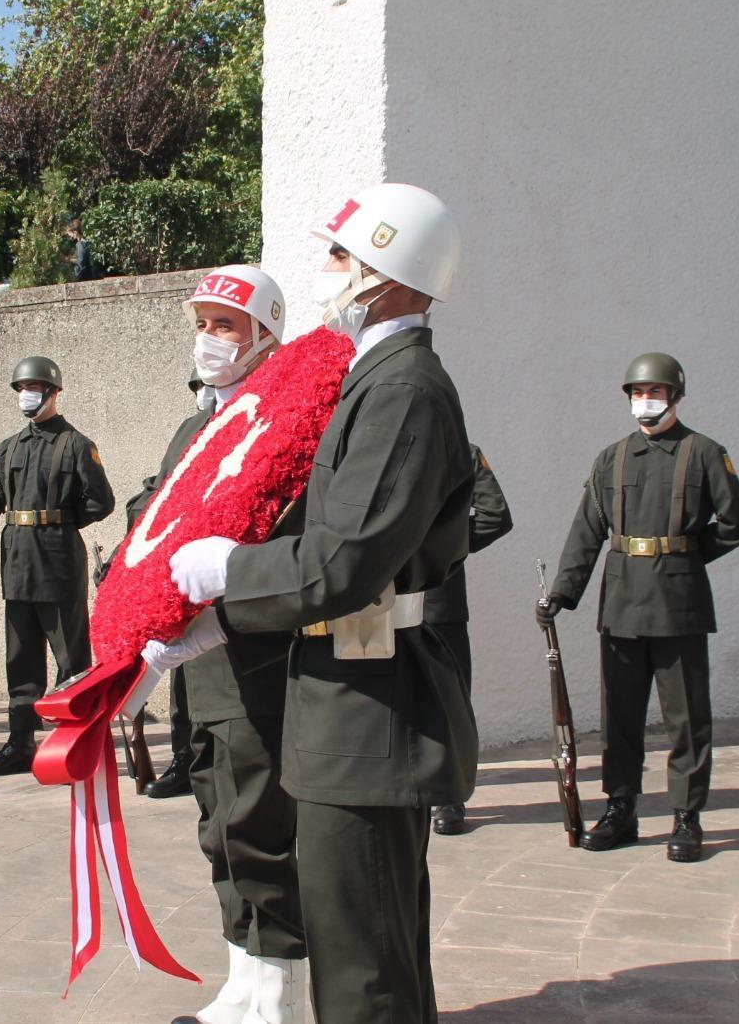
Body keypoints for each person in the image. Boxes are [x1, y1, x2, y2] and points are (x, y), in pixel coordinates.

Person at [169, 182, 473, 1023]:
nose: (331, 271)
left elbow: (341, 563)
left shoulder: (403, 388)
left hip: (370, 706)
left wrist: (230, 575)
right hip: (342, 695)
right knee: (368, 941)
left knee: (362, 961)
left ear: (393, 269)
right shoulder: (373, 377)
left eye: (344, 256)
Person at [133, 266, 306, 1024]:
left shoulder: (282, 422)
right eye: (201, 323)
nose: (208, 339)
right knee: (218, 827)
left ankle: (272, 1002)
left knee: (257, 829)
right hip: (197, 670)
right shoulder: (197, 425)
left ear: (266, 335)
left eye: (225, 325)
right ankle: (242, 985)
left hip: (251, 664)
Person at [538, 353, 739, 862]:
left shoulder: (703, 452)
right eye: (637, 393)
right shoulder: (610, 459)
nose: (645, 401)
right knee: (620, 715)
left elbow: (737, 523)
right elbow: (587, 532)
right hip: (623, 600)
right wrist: (562, 594)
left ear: (675, 396)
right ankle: (621, 808)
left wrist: (690, 552)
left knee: (686, 717)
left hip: (679, 601)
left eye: (655, 392)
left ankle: (686, 815)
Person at [0, 357, 114, 775]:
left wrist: (61, 519)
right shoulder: (9, 447)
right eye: (22, 388)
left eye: (35, 387)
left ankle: (77, 743)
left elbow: (100, 500)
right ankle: (19, 743)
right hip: (17, 562)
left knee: (70, 659)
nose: (27, 395)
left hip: (57, 560)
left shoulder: (75, 444)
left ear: (53, 392)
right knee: (21, 660)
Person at [426, 445, 514, 836]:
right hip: (389, 601)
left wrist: (442, 548)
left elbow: (495, 516)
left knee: (448, 701)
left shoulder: (462, 451)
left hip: (437, 601)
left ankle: (449, 796)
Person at [137, 368, 209, 802]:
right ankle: (184, 760)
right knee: (182, 675)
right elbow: (157, 489)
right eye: (196, 386)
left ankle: (205, 760)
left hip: (219, 567)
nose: (203, 392)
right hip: (178, 568)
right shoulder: (188, 429)